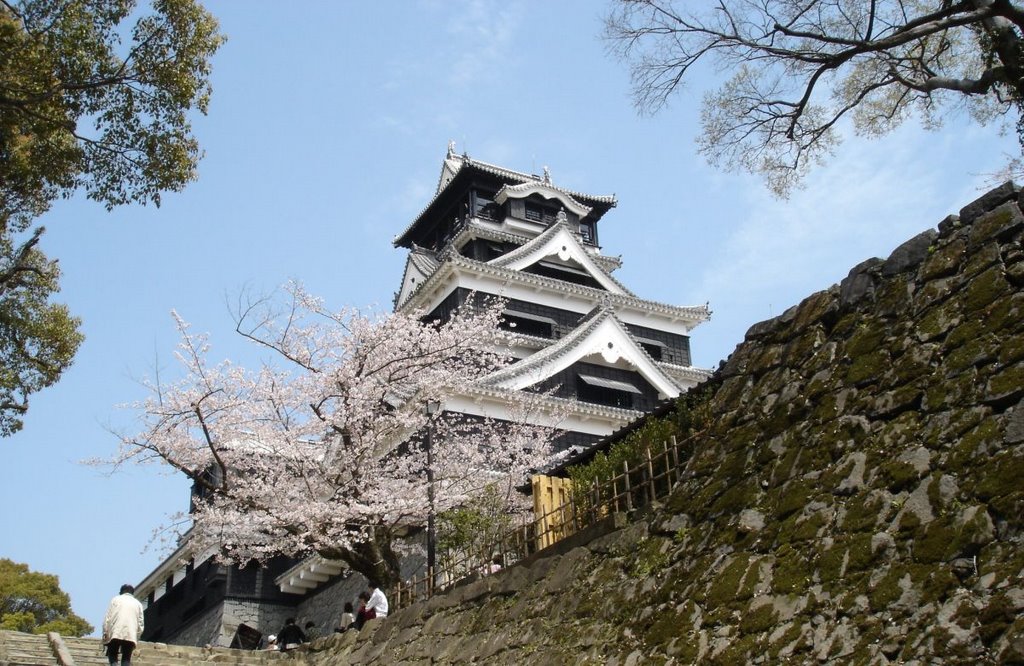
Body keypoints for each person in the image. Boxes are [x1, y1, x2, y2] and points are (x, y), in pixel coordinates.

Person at [102, 584, 145, 666]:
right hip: (130, 633)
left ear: (121, 592)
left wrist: (105, 632)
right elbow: (141, 623)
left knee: (113, 653)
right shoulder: (138, 604)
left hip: (115, 632)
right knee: (126, 658)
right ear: (132, 593)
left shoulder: (115, 600)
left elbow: (108, 617)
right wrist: (137, 636)